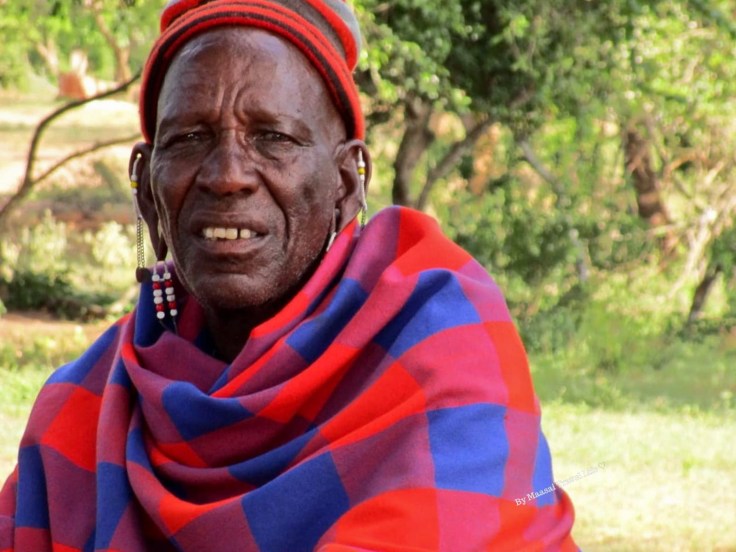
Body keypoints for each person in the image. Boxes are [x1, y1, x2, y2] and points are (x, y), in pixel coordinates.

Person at [0, 0, 578, 550]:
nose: (227, 176)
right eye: (190, 139)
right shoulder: (81, 410)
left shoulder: (441, 341)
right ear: (148, 191)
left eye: (273, 137)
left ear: (346, 185)